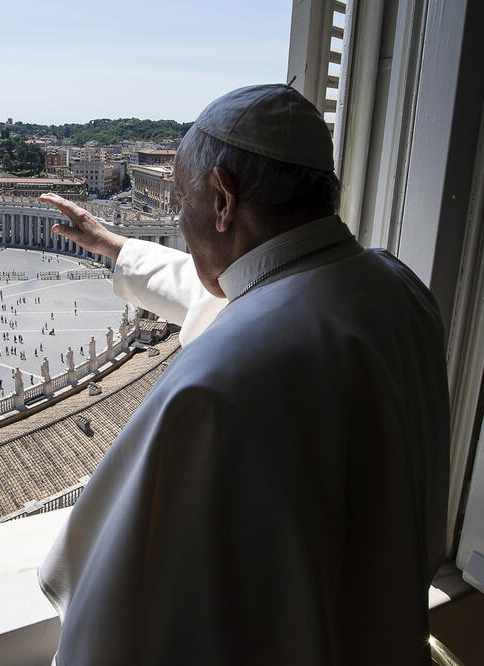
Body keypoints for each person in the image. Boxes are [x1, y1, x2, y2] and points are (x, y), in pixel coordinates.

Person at [37, 84, 449, 664]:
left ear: (224, 200)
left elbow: (120, 621)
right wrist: (114, 244)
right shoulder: (399, 288)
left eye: (181, 199)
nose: (177, 220)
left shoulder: (215, 383)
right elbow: (242, 291)